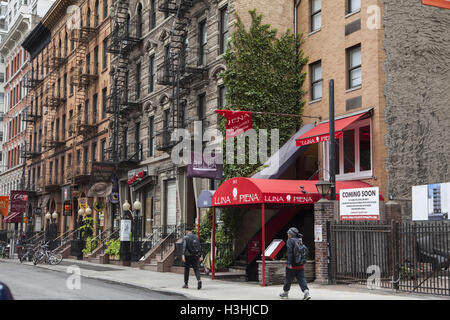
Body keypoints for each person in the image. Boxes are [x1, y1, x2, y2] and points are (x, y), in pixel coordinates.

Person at [280, 227, 311, 300]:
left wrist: (289, 263)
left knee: (288, 279)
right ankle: (306, 292)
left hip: (292, 265)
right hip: (300, 264)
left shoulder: (290, 241)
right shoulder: (299, 240)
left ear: (291, 234)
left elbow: (290, 253)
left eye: (288, 233)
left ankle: (285, 293)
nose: (287, 234)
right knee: (302, 279)